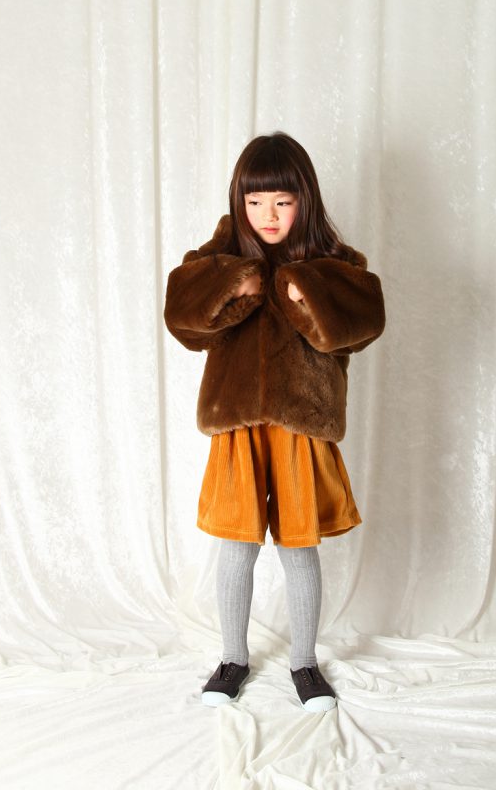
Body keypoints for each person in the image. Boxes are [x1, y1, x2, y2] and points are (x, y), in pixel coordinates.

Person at [163, 132, 385, 712]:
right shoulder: (220, 257)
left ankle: (305, 663)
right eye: (255, 200)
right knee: (237, 548)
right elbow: (182, 317)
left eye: (282, 201)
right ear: (239, 202)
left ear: (304, 201)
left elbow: (364, 320)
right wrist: (231, 285)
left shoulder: (332, 262)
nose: (268, 214)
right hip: (238, 427)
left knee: (297, 548)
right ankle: (232, 658)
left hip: (300, 426)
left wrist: (304, 291)